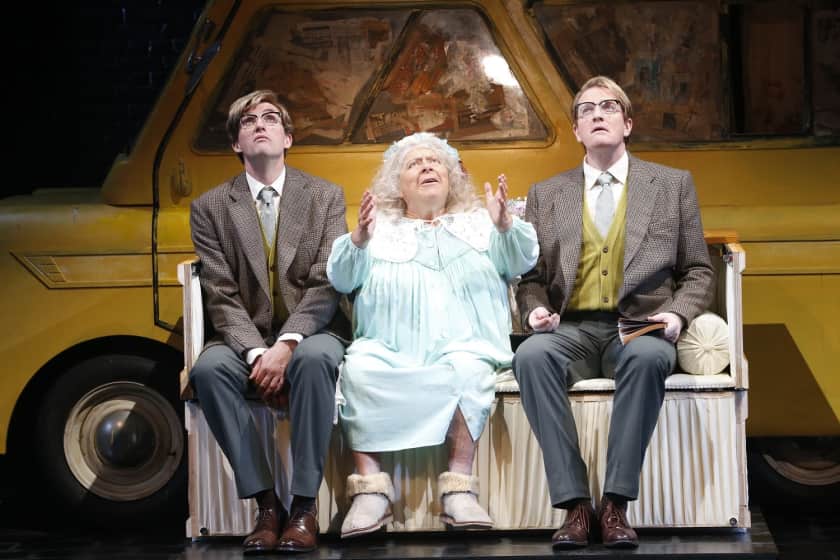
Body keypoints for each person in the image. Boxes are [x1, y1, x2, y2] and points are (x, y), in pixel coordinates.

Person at [513, 76, 715, 549]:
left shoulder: (671, 185)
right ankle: (575, 505)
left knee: (647, 360)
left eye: (608, 107)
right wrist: (535, 311)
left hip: (640, 327)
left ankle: (615, 505)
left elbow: (699, 270)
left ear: (627, 123)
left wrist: (678, 316)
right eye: (586, 110)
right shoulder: (548, 193)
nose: (597, 115)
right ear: (578, 131)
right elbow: (530, 279)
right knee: (531, 356)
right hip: (574, 328)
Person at [326, 132, 538, 538]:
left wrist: (505, 225)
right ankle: (370, 490)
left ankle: (459, 488)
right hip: (388, 347)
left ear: (451, 177)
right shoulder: (379, 228)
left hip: (463, 344)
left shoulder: (480, 223)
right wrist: (358, 241)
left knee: (466, 370)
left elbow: (520, 261)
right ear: (397, 185)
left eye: (435, 161)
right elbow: (341, 278)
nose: (426, 166)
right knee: (359, 371)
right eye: (414, 163)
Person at [189, 90, 350, 554]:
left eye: (270, 118)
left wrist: (287, 344)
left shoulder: (324, 196)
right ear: (237, 143)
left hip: (313, 331)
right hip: (247, 336)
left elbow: (326, 282)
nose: (259, 124)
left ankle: (304, 506)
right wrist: (259, 353)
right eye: (247, 121)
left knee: (316, 361)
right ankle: (266, 504)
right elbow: (219, 291)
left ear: (288, 137)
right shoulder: (211, 206)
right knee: (208, 369)